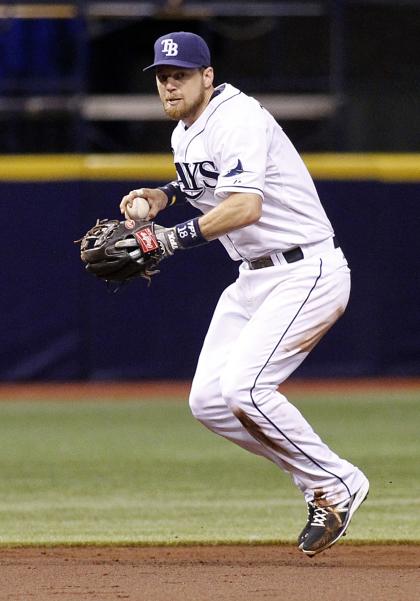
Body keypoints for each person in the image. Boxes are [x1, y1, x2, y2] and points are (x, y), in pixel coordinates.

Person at [120, 31, 369, 556]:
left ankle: (337, 481)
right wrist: (161, 196)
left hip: (306, 270)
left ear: (207, 77)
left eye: (181, 76)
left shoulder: (238, 117)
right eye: (164, 77)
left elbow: (245, 207)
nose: (170, 85)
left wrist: (168, 238)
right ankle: (324, 483)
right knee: (210, 401)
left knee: (245, 389)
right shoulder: (187, 129)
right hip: (254, 278)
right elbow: (204, 181)